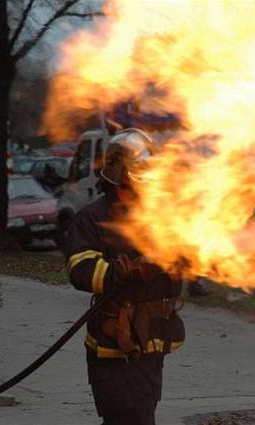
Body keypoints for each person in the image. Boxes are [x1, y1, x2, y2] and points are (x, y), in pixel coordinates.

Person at [66, 128, 185, 425]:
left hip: (152, 341)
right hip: (112, 342)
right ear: (119, 177)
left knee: (143, 413)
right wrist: (123, 270)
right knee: (123, 417)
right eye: (139, 179)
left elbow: (181, 269)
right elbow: (79, 269)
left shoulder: (159, 217)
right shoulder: (93, 218)